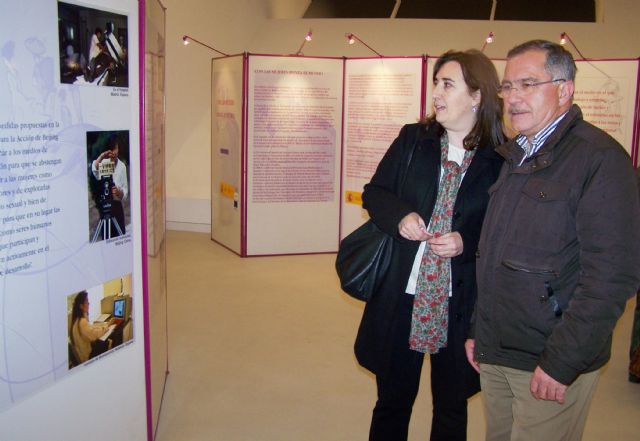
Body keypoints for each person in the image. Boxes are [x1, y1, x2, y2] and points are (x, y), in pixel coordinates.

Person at [465, 40, 640, 441]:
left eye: (528, 84)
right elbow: (493, 254)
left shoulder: (600, 160)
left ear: (564, 90)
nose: (513, 98)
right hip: (498, 350)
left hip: (548, 360)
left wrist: (563, 362)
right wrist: (479, 330)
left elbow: (613, 278)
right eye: (507, 87)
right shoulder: (517, 155)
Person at [355, 49, 505, 441]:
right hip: (404, 291)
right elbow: (375, 193)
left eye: (447, 84)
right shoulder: (413, 139)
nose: (436, 92)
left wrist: (466, 240)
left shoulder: (501, 158)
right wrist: (401, 216)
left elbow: (504, 228)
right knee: (392, 400)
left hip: (459, 302)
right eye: (436, 82)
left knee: (452, 406)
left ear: (476, 96)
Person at [91, 133, 128, 237]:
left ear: (118, 148)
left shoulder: (122, 167)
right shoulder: (104, 164)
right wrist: (102, 156)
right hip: (105, 206)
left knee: (119, 237)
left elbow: (125, 193)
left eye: (115, 149)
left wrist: (119, 192)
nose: (114, 152)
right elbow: (94, 168)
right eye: (111, 149)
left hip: (117, 207)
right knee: (106, 238)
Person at [69, 291, 112, 364]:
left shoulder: (76, 321)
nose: (89, 303)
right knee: (108, 341)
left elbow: (89, 330)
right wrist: (107, 325)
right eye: (87, 302)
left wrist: (98, 326)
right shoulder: (82, 322)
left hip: (83, 354)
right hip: (87, 357)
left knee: (100, 342)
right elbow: (95, 334)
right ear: (81, 306)